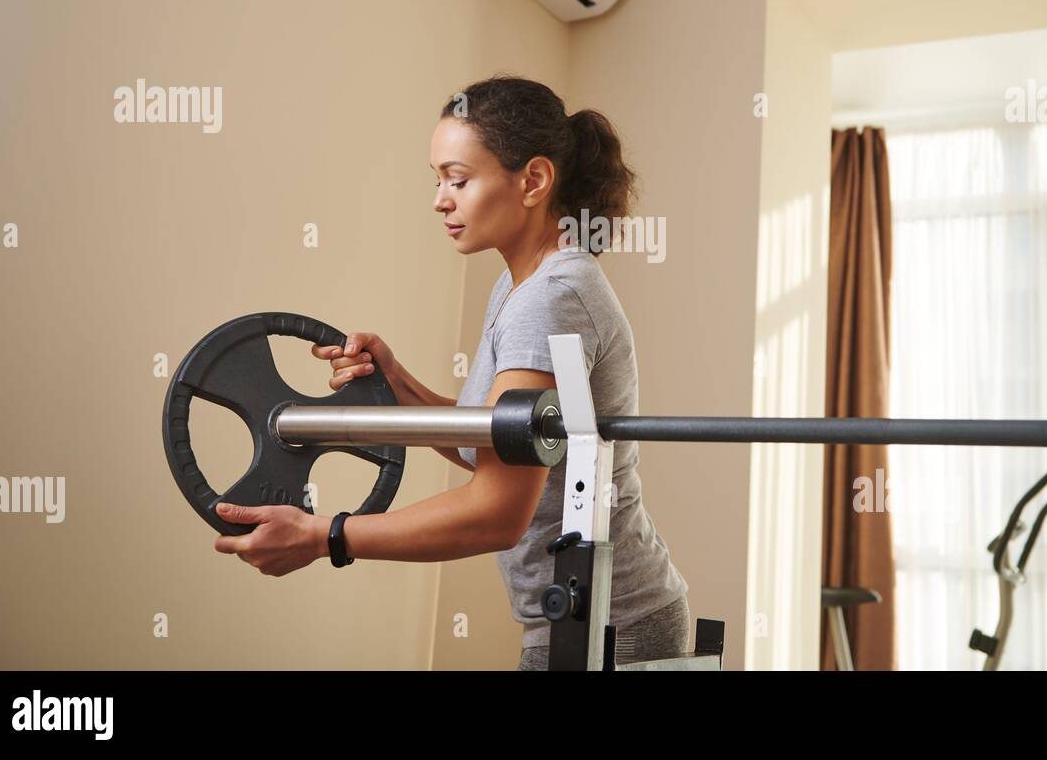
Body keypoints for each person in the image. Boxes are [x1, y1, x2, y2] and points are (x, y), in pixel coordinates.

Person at [212, 74, 690, 671]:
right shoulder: (520, 287)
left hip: (614, 627)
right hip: (578, 615)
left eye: (458, 179)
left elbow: (496, 511)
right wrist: (395, 382)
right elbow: (488, 447)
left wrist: (324, 536)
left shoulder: (551, 297)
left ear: (534, 180)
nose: (441, 199)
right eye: (438, 179)